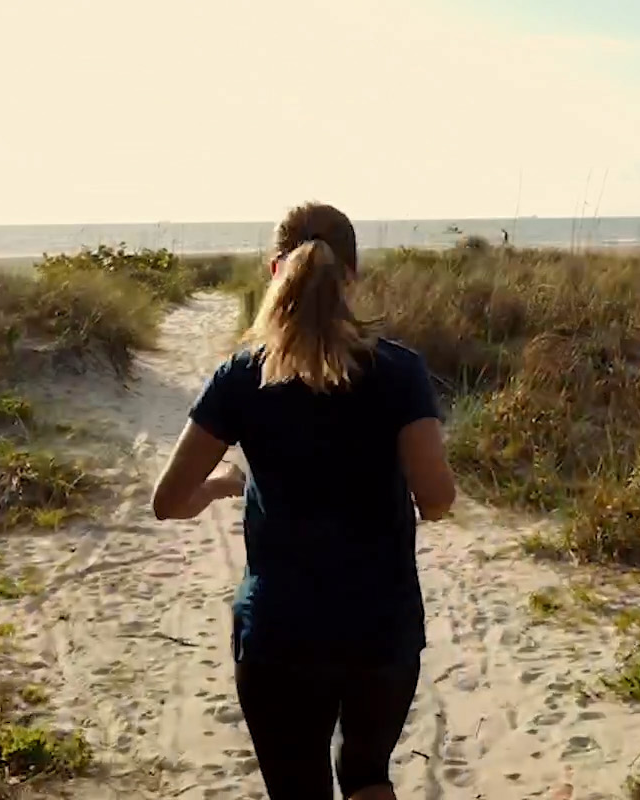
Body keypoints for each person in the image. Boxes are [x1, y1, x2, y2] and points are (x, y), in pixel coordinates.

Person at [150, 202, 458, 800]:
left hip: (280, 634)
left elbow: (169, 500)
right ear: (354, 275)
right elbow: (438, 500)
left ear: (274, 271)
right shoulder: (400, 373)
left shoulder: (240, 376)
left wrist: (223, 484)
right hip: (381, 628)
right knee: (369, 776)